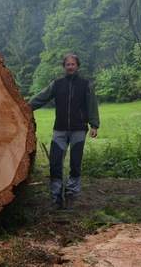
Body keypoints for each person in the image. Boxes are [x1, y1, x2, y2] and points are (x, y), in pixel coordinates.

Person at [28, 53, 100, 210]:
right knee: (55, 163)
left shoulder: (85, 84)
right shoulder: (57, 84)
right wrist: (25, 106)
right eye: (68, 64)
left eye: (73, 64)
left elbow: (92, 105)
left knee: (75, 164)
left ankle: (71, 196)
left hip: (78, 130)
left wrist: (94, 125)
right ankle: (56, 198)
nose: (70, 67)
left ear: (77, 66)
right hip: (59, 130)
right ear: (64, 67)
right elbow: (41, 97)